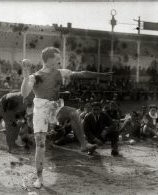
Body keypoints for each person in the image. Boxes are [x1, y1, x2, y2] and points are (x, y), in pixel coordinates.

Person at [21, 47, 112, 188]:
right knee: (40, 145)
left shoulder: (61, 72)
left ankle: (83, 145)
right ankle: (39, 178)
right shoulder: (35, 76)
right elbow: (25, 93)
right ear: (49, 59)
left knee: (74, 113)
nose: (60, 61)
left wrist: (100, 75)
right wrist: (26, 75)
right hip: (40, 110)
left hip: (55, 106)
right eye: (57, 58)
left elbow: (81, 74)